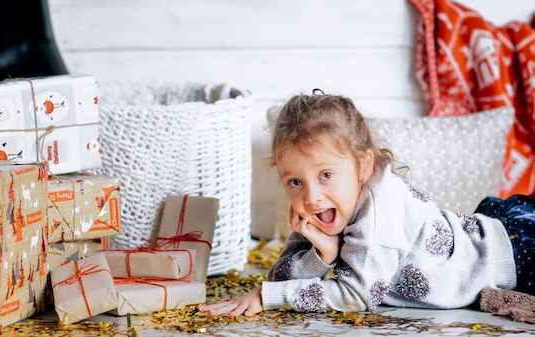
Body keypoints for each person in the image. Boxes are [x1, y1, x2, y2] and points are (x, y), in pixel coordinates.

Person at [198, 90, 534, 317]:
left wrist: (266, 299)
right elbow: (280, 278)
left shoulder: (378, 213)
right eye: (295, 182)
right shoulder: (322, 210)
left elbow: (357, 296)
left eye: (326, 174)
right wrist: (322, 253)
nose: (311, 196)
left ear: (363, 166)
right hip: (484, 231)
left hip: (512, 252)